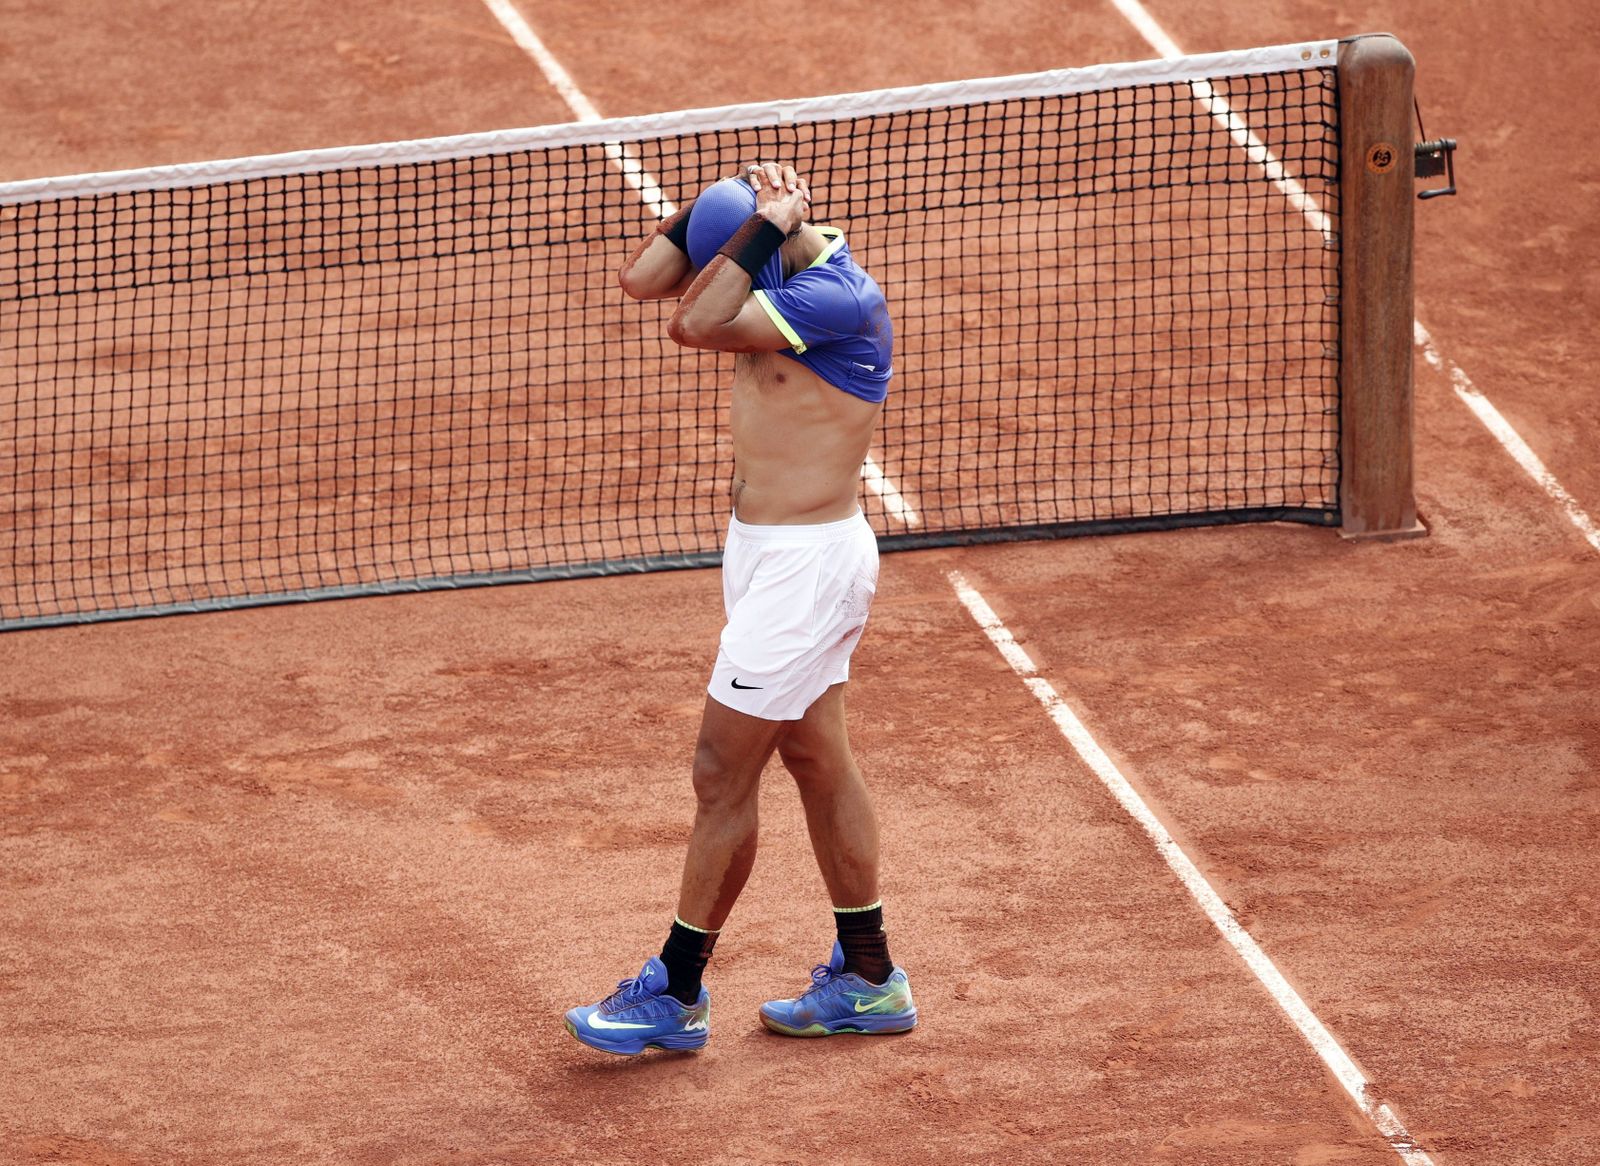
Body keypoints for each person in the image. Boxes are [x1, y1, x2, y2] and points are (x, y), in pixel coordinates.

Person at [562, 162, 915, 1055]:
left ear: (768, 253)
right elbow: (643, 281)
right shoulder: (776, 262)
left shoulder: (838, 297)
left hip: (806, 570)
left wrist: (756, 230)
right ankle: (870, 978)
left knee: (721, 773)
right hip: (765, 558)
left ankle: (676, 993)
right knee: (816, 756)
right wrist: (723, 208)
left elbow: (691, 322)